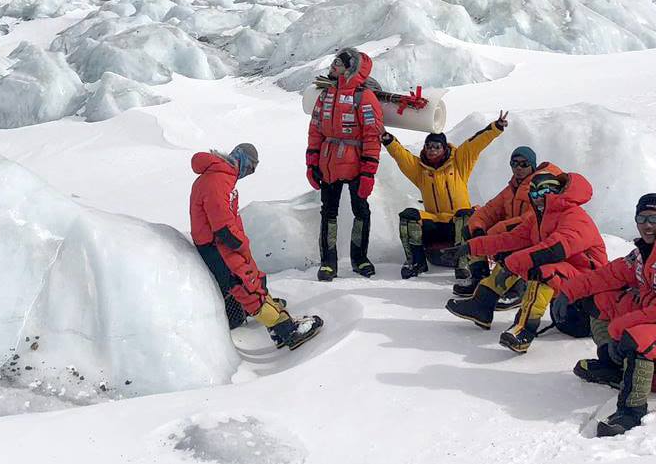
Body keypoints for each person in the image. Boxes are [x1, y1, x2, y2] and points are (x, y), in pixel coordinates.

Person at [549, 193, 656, 436]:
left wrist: (619, 330)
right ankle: (613, 364)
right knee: (599, 301)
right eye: (642, 218)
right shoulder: (643, 255)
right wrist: (568, 292)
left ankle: (631, 411)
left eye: (654, 218)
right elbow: (606, 276)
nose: (647, 224)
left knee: (639, 337)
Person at [446, 166, 607, 354]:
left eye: (545, 191)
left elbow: (555, 250)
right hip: (565, 300)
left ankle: (523, 331)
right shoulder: (539, 218)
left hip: (589, 298)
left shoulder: (575, 217)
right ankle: (481, 304)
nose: (539, 196)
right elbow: (510, 239)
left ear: (556, 192)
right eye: (534, 192)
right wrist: (471, 247)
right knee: (515, 257)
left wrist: (515, 263)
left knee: (542, 270)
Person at [190, 143, 323, 349]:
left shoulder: (221, 177)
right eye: (251, 167)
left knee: (252, 280)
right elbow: (223, 227)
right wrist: (241, 246)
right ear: (241, 158)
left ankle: (273, 317)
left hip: (222, 244)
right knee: (245, 286)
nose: (249, 173)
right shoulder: (217, 180)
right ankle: (286, 330)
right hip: (219, 246)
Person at [383, 112, 509, 279]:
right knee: (409, 216)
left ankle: (463, 264)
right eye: (428, 146)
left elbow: (476, 143)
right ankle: (416, 262)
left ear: (444, 148)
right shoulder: (420, 170)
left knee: (464, 214)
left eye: (436, 146)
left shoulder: (459, 161)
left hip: (457, 224)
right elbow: (401, 155)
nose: (432, 150)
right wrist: (388, 140)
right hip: (435, 222)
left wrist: (496, 127)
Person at [306, 47, 383, 281]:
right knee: (328, 212)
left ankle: (359, 258)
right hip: (328, 163)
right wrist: (311, 163)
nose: (333, 66)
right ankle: (328, 263)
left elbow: (372, 136)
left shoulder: (364, 97)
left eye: (338, 63)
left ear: (350, 68)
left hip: (356, 164)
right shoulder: (326, 95)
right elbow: (315, 130)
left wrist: (368, 173)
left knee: (360, 211)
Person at [449, 144, 540, 299]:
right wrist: (477, 228)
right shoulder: (511, 189)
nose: (518, 168)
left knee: (509, 241)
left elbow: (532, 218)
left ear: (532, 166)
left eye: (524, 164)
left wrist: (496, 232)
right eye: (514, 163)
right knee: (471, 230)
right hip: (509, 233)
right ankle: (480, 278)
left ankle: (517, 288)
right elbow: (488, 210)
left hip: (531, 238)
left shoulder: (538, 187)